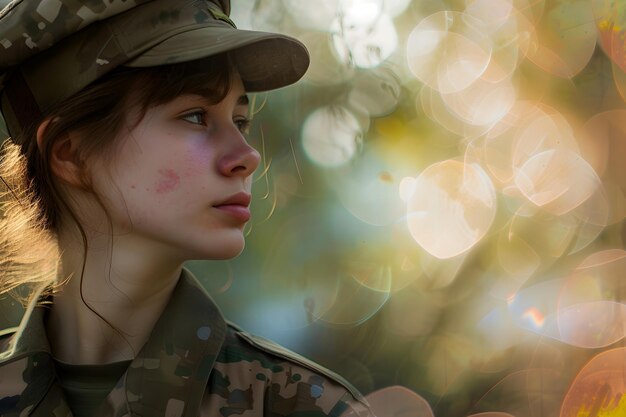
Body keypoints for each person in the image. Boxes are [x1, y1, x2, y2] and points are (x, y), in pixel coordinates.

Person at [0, 1, 375, 416]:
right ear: (71, 153)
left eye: (241, 120)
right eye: (196, 116)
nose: (247, 155)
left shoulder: (303, 405)